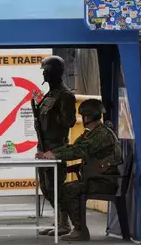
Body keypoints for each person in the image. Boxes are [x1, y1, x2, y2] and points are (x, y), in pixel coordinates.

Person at [38, 99, 121, 241]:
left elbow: (80, 150)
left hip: (105, 181)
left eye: (83, 116)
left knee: (69, 189)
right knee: (63, 187)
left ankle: (80, 230)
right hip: (98, 178)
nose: (82, 119)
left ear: (88, 116)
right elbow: (72, 147)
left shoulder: (101, 134)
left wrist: (55, 155)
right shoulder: (91, 133)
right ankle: (66, 225)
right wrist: (50, 153)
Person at [32, 55, 77, 236]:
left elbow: (70, 121)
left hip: (56, 149)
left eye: (45, 70)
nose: (44, 74)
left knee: (56, 186)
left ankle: (65, 223)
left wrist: (57, 116)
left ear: (53, 72)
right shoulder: (49, 95)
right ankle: (59, 221)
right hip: (43, 147)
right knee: (46, 187)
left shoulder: (65, 95)